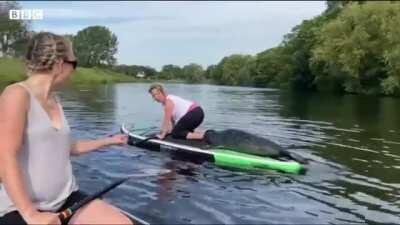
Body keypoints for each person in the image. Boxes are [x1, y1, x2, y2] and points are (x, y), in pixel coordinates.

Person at [0, 32, 132, 225]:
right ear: (60, 65)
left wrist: (109, 141)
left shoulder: (55, 100)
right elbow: (5, 155)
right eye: (74, 64)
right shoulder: (16, 94)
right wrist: (31, 214)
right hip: (22, 207)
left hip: (66, 198)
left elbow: (69, 147)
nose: (74, 71)